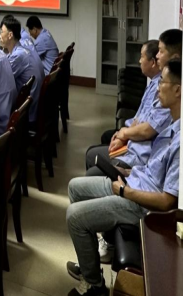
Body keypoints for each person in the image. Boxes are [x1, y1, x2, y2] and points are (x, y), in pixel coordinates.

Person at [65, 59, 180, 296]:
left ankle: (94, 286)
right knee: (75, 187)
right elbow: (153, 168)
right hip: (133, 183)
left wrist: (124, 191)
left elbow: (167, 201)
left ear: (178, 90)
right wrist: (129, 174)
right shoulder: (172, 125)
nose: (158, 87)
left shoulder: (180, 140)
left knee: (74, 217)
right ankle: (89, 264)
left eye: (163, 83)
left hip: (141, 204)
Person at [85, 40, 171, 176]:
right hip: (133, 145)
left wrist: (124, 134)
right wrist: (123, 134)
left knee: (93, 163)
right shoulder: (155, 84)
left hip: (138, 155)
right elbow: (139, 119)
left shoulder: (164, 92)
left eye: (142, 56)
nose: (139, 61)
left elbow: (146, 130)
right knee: (92, 153)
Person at [0, 16, 43, 123]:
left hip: (26, 111)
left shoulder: (18, 55)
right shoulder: (21, 51)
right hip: (31, 104)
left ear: (10, 35)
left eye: (2, 32)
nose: (0, 35)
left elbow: (1, 81)